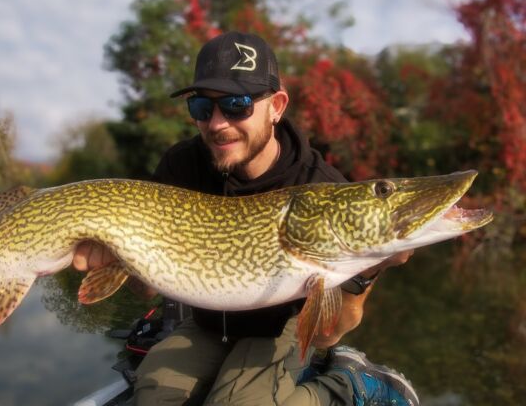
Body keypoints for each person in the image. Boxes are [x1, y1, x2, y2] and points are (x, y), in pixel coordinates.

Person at [73, 31, 418, 405]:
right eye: (203, 108)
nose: (218, 123)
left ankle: (348, 385)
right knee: (154, 396)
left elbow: (327, 334)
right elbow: (151, 288)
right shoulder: (182, 165)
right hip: (205, 322)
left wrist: (366, 272)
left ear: (277, 106)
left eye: (237, 105)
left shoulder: (320, 188)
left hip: (277, 328)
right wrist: (122, 259)